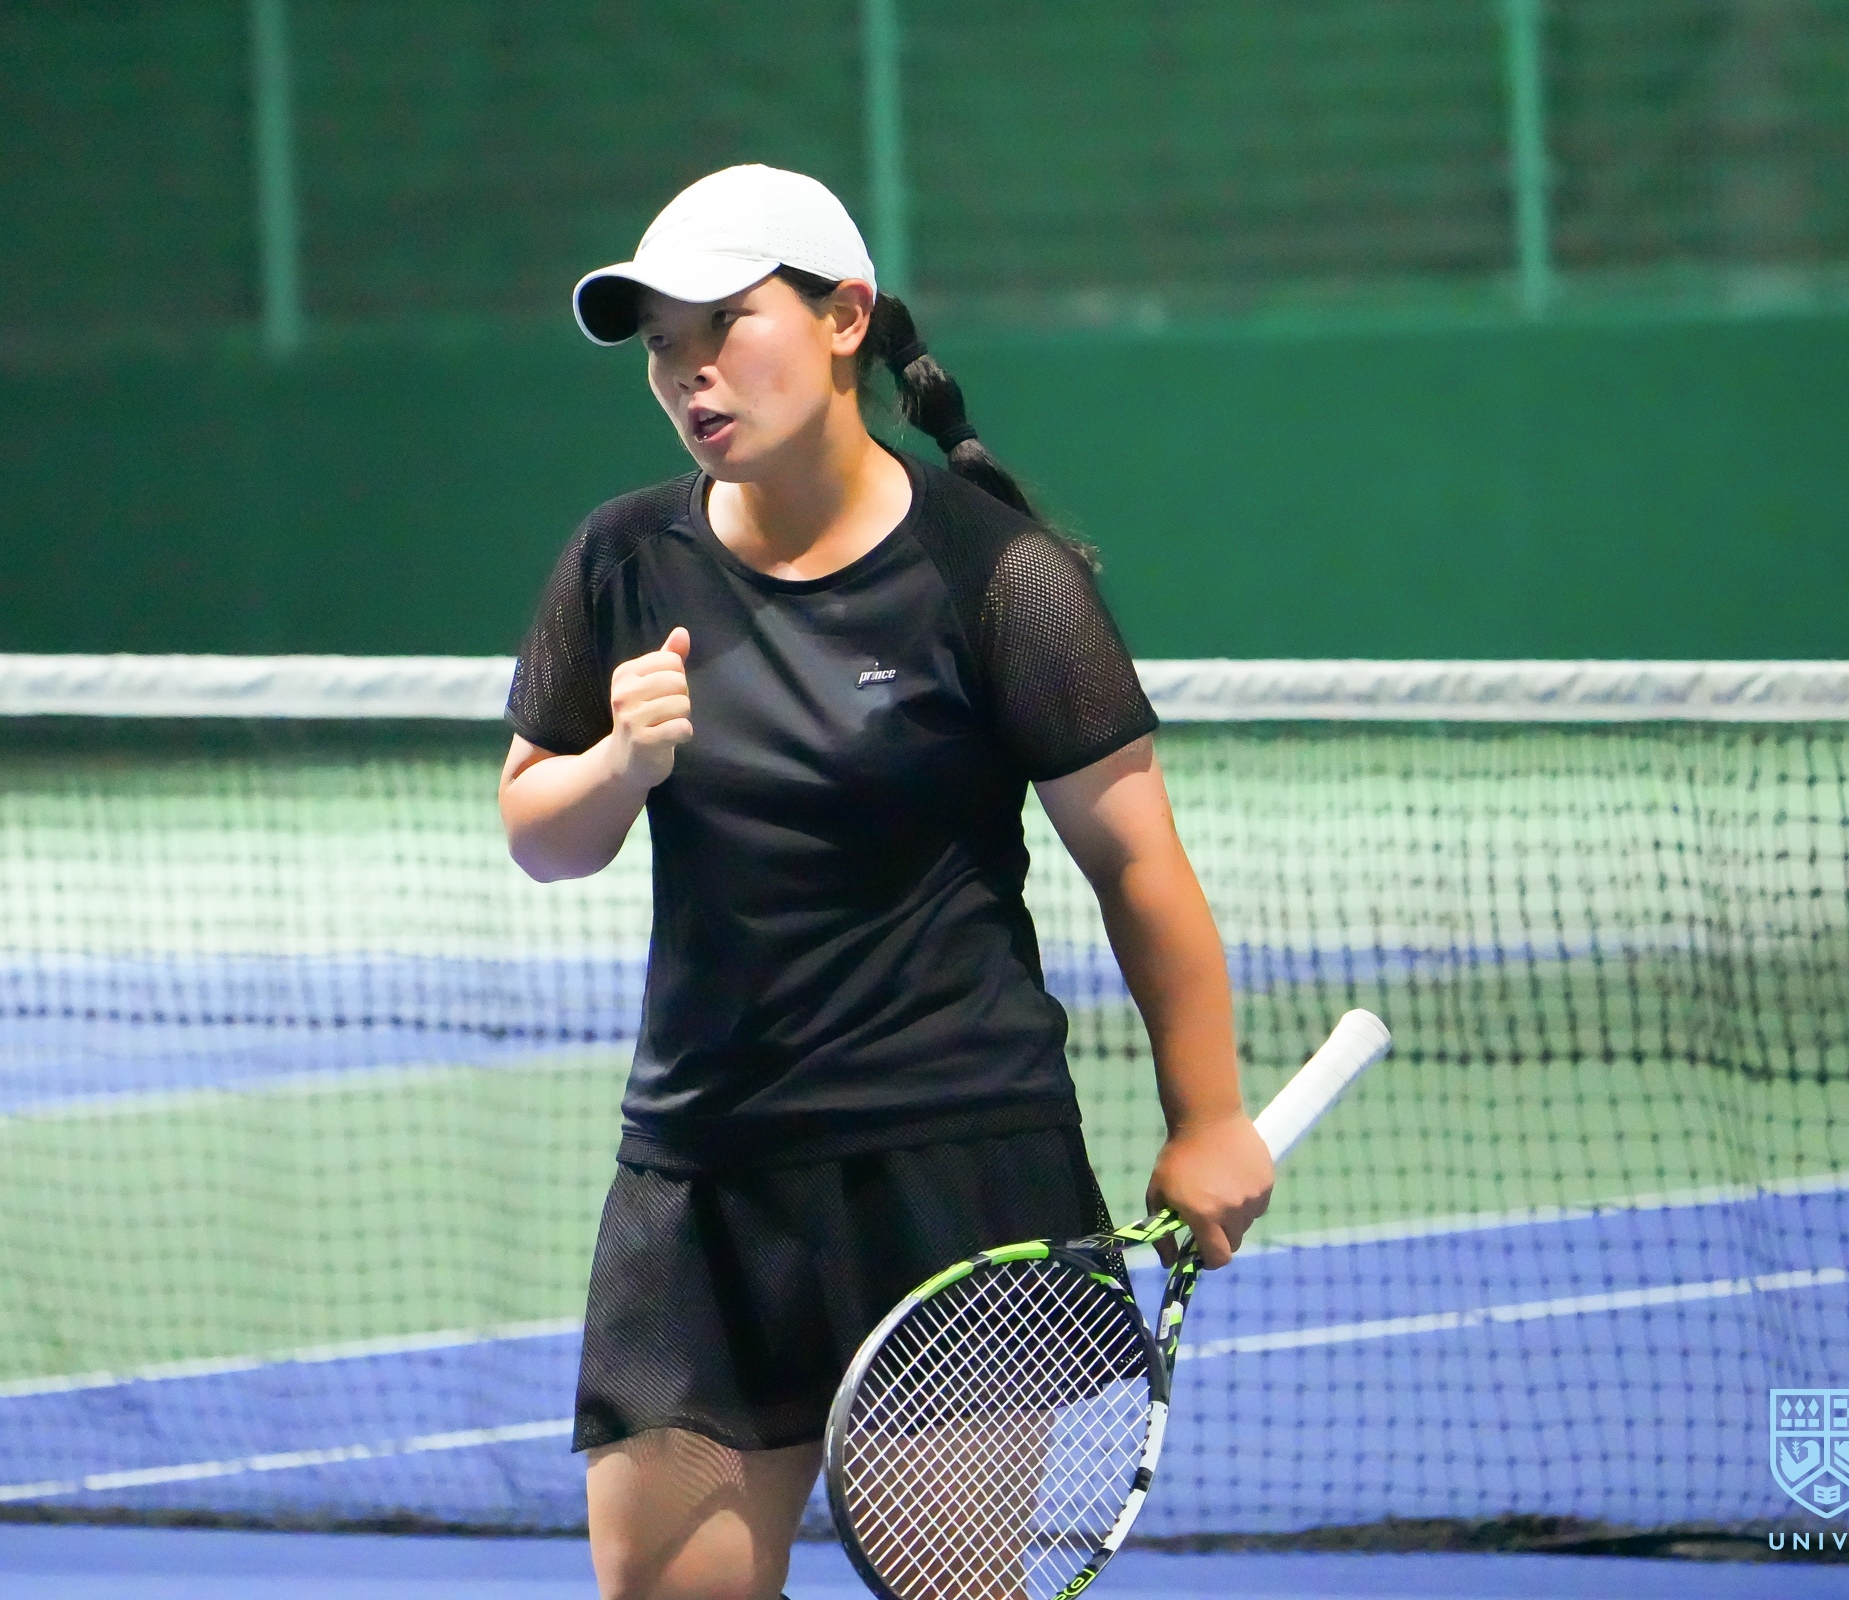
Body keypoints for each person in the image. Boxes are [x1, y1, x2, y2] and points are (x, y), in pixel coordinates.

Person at [498, 165, 1270, 1600]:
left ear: (845, 317)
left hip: (948, 1182)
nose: (688, 372)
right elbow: (541, 831)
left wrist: (1208, 1114)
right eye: (662, 343)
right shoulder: (623, 559)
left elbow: (1137, 864)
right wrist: (618, 764)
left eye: (725, 325)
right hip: (704, 1180)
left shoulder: (1000, 575)